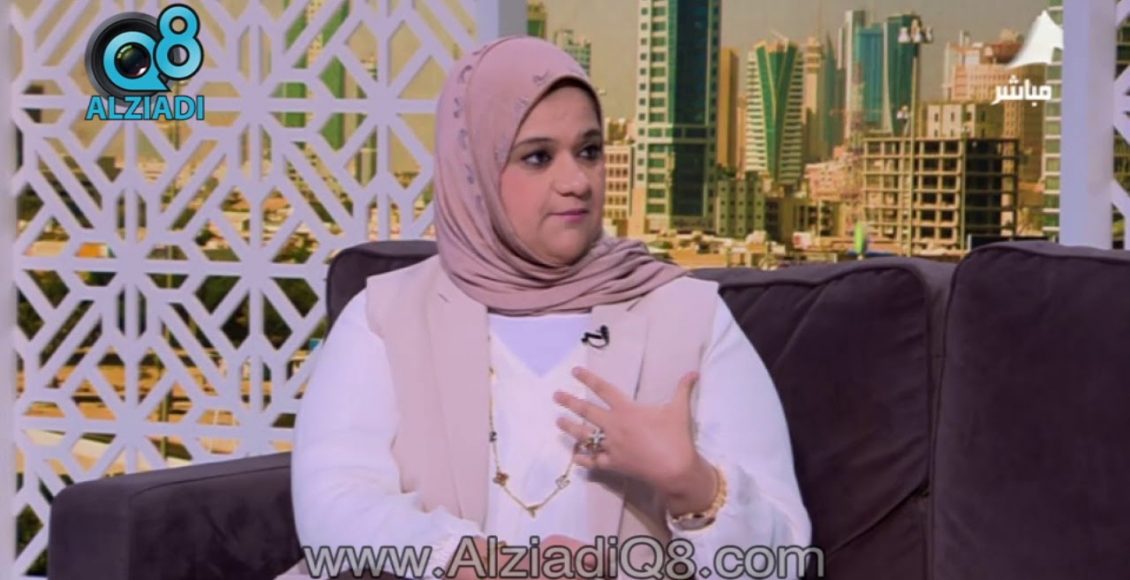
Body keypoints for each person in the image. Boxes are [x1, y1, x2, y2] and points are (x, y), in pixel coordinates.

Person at [291, 36, 810, 579]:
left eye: (589, 151)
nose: (577, 182)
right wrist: (493, 568)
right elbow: (334, 508)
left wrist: (692, 483)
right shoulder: (385, 316)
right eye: (537, 157)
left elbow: (782, 563)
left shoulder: (690, 316)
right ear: (472, 171)